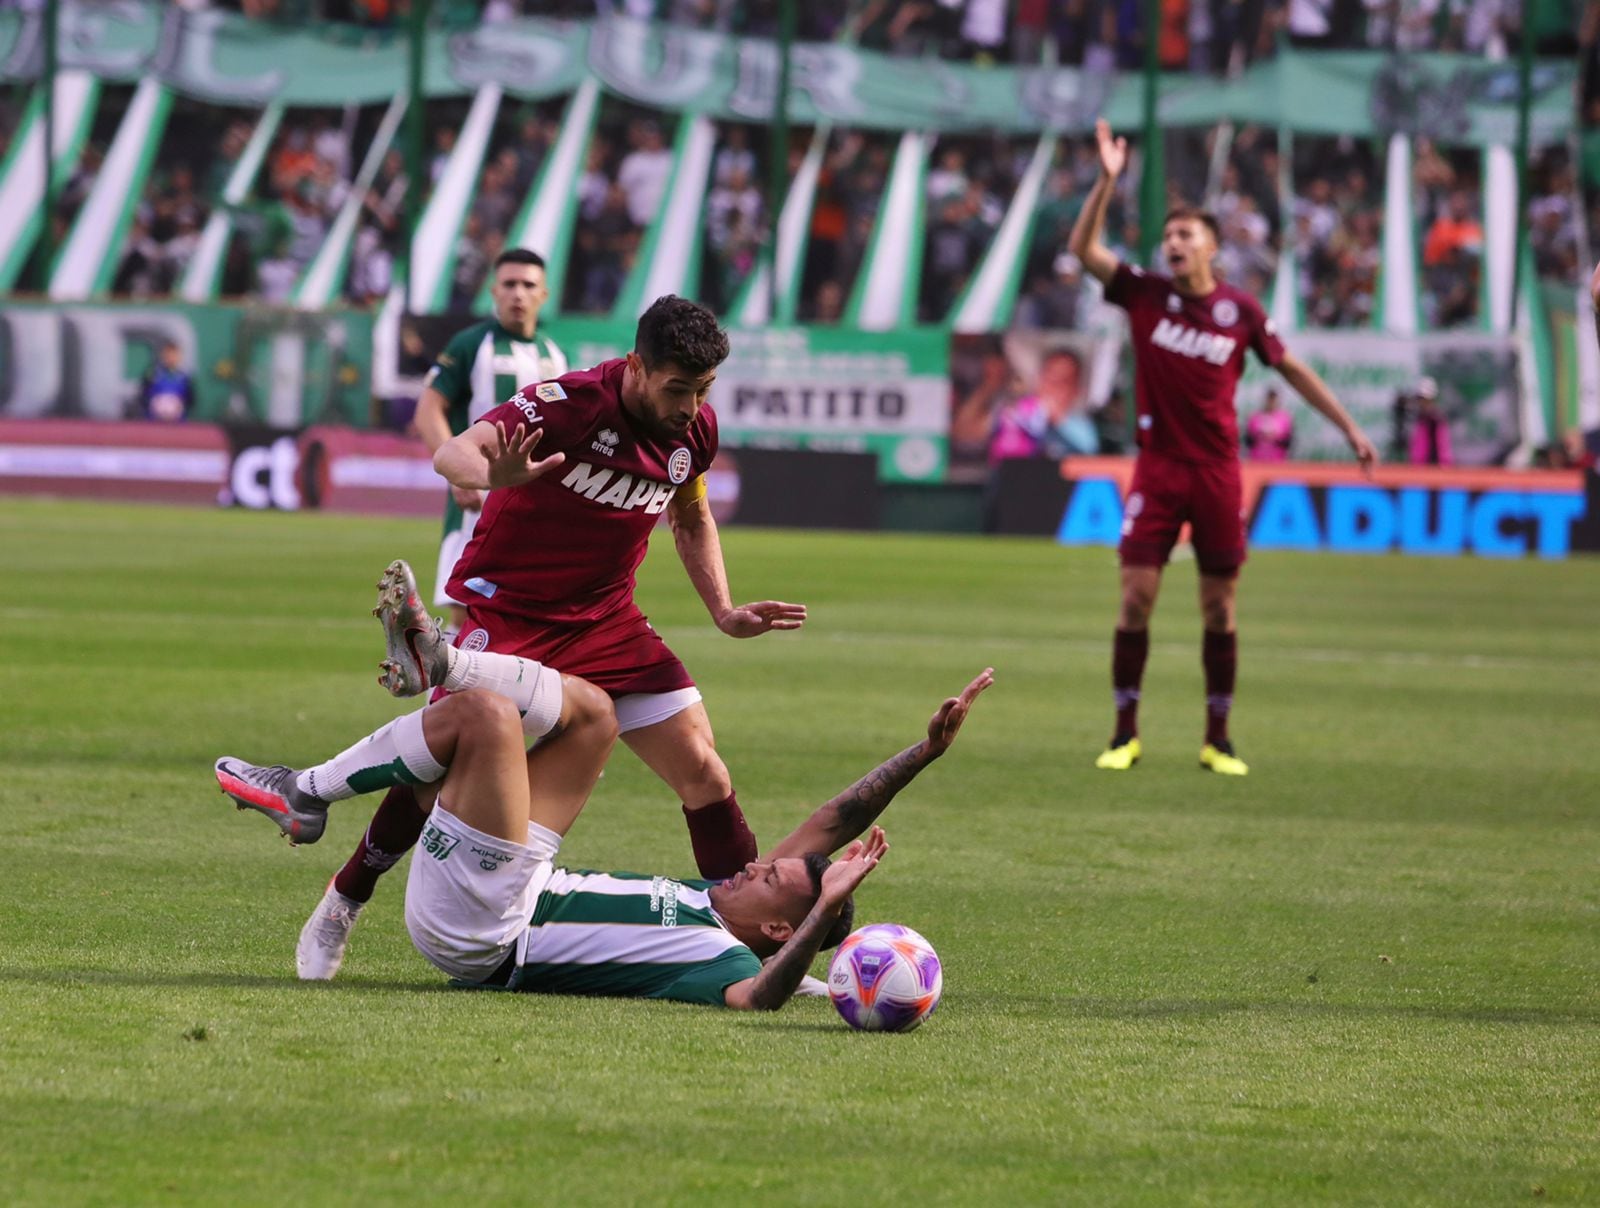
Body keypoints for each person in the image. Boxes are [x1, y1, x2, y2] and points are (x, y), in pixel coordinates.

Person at [288, 299, 806, 980]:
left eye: (703, 391)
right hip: (512, 614)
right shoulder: (563, 406)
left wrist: (723, 608)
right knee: (436, 769)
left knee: (706, 773)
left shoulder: (693, 431)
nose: (690, 406)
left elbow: (691, 514)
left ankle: (762, 954)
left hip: (606, 622)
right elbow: (454, 451)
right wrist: (490, 474)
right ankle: (344, 899)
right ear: (637, 367)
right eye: (678, 389)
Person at [215, 564, 993, 1005]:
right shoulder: (737, 896)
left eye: (776, 880)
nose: (759, 861)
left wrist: (825, 906)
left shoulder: (731, 960)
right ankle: (434, 675)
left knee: (485, 719)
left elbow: (762, 1000)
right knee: (595, 715)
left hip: (486, 932)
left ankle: (312, 787)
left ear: (781, 933)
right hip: (526, 880)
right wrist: (924, 753)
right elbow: (837, 816)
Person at [1068, 119, 1377, 777]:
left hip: (1216, 473)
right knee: (1135, 599)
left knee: (1219, 606)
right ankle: (1125, 733)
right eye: (1168, 236)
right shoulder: (1144, 294)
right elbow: (1083, 247)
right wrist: (1107, 180)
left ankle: (1218, 738)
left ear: (1211, 247)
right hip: (1156, 468)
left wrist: (1348, 426)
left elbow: (1290, 368)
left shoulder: (1242, 312)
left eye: (1185, 235)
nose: (1173, 243)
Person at [413, 247, 569, 634]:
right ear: (493, 291)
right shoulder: (470, 344)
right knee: (467, 611)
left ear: (544, 295)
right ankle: (444, 692)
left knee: (527, 616)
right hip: (478, 498)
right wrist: (458, 474)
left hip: (536, 507)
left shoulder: (555, 355)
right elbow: (428, 410)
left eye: (528, 285)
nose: (519, 293)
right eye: (509, 284)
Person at [988, 347, 1100, 464]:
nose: (1053, 384)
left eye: (1064, 380)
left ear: (1076, 390)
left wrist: (1057, 419)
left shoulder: (1082, 426)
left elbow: (1088, 457)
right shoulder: (1014, 411)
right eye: (1050, 374)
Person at [138, 341, 193, 422]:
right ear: (162, 356)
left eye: (174, 355)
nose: (171, 358)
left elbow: (191, 400)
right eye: (168, 355)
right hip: (153, 422)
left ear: (179, 357)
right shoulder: (151, 375)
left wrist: (178, 407)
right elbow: (142, 396)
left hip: (178, 424)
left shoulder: (185, 378)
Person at [1407, 377, 1452, 466]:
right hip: (1419, 469)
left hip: (1432, 469)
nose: (1421, 402)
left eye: (1424, 399)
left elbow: (1442, 448)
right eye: (1420, 398)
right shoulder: (1420, 418)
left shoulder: (1436, 420)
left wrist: (1443, 468)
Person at [1243, 388, 1293, 461]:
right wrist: (1260, 436)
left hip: (1278, 461)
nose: (1271, 403)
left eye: (1273, 400)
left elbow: (1288, 443)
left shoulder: (1285, 418)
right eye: (1269, 400)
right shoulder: (1254, 417)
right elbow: (1247, 441)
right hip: (1257, 461)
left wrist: (1275, 438)